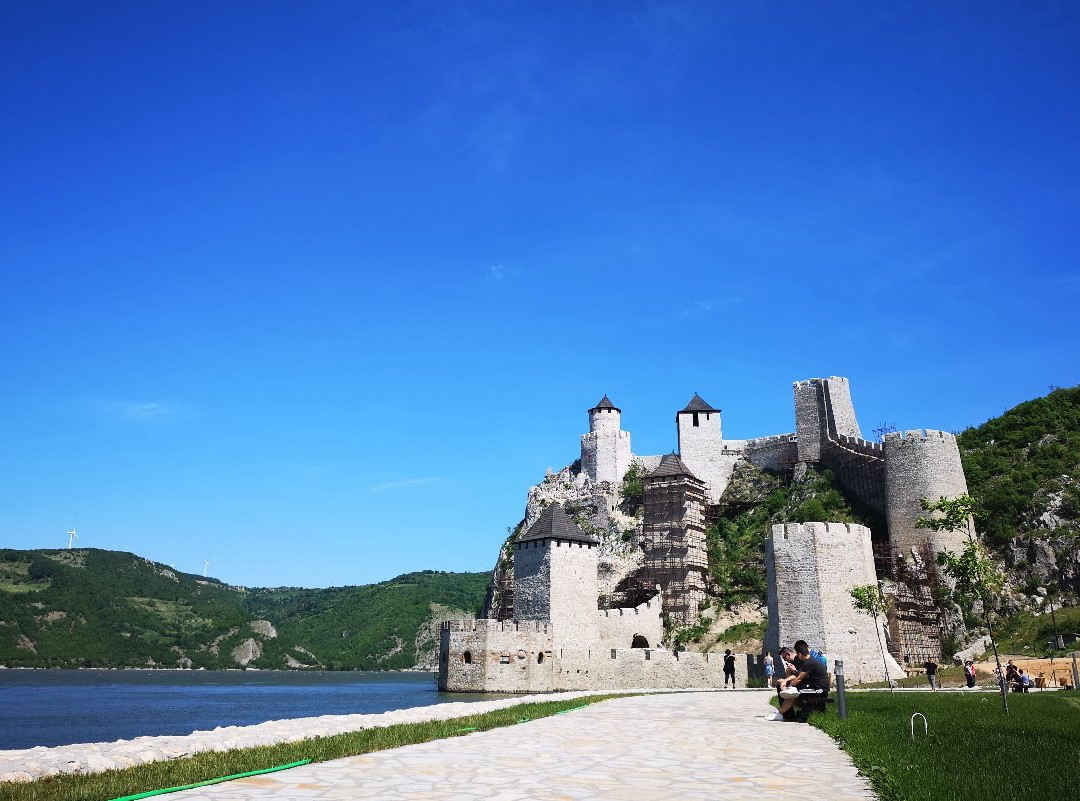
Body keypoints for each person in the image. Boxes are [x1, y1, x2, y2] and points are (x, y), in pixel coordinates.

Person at [771, 640, 829, 722]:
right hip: (815, 687)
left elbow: (799, 678)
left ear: (800, 654)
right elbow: (798, 677)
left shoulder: (809, 663)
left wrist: (787, 687)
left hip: (820, 690)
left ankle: (779, 713)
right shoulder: (809, 661)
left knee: (791, 693)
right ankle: (804, 711)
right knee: (792, 694)